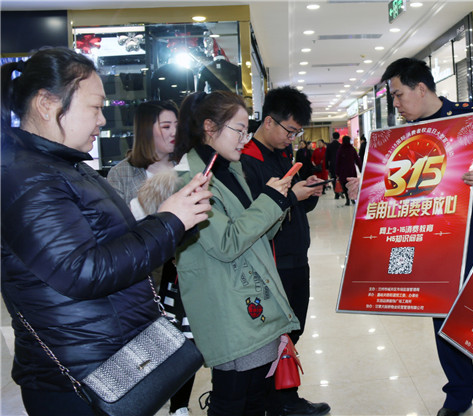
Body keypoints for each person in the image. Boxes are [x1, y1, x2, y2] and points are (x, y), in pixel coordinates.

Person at [0, 47, 212, 415]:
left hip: (112, 359)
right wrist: (169, 221)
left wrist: (179, 219)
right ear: (47, 104)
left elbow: (117, 244)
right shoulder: (26, 178)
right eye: (95, 107)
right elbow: (83, 270)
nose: (102, 119)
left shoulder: (68, 168)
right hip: (79, 381)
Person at [381, 58, 473, 416]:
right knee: (444, 322)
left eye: (398, 95)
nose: (396, 104)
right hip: (432, 245)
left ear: (421, 88)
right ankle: (459, 393)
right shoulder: (405, 135)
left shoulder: (471, 117)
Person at [172, 90, 301, 416]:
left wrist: (277, 201)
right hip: (229, 306)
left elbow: (257, 234)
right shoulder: (189, 179)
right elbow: (226, 244)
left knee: (255, 396)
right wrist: (270, 201)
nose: (245, 139)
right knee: (233, 398)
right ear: (209, 127)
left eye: (246, 131)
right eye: (239, 130)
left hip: (253, 299)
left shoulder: (229, 169)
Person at [240, 86, 330, 416]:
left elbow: (293, 206)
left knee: (293, 329)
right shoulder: (245, 162)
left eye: (297, 133)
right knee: (277, 334)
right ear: (268, 121)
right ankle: (280, 402)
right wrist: (292, 196)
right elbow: (255, 215)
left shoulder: (280, 155)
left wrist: (308, 193)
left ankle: (283, 398)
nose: (292, 138)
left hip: (296, 255)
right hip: (272, 261)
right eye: (289, 131)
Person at [106, 100, 196, 416]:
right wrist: (154, 193)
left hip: (181, 270)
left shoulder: (187, 165)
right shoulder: (121, 173)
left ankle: (180, 407)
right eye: (165, 126)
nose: (173, 133)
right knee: (142, 350)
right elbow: (116, 231)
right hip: (140, 278)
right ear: (146, 130)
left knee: (183, 341)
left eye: (176, 126)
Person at [335, 135, 361, 206]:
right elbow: (357, 159)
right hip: (351, 171)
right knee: (352, 185)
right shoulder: (352, 149)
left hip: (343, 171)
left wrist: (337, 172)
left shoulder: (340, 150)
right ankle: (352, 198)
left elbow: (337, 162)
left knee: (345, 186)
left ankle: (347, 200)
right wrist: (361, 168)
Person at [326, 131, 341, 199]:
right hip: (340, 165)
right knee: (340, 178)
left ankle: (336, 193)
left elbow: (327, 157)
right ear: (339, 137)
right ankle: (341, 190)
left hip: (332, 165)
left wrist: (327, 166)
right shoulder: (340, 145)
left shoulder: (329, 146)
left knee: (333, 179)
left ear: (332, 137)